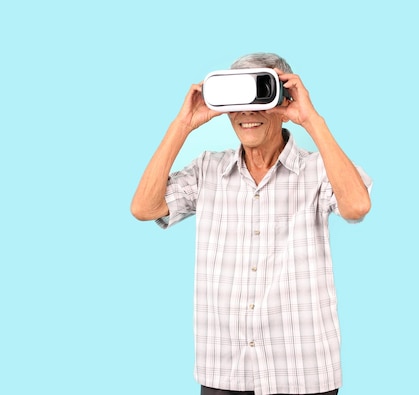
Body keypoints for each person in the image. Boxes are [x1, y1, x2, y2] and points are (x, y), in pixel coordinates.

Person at [130, 53, 372, 395]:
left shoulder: (319, 170)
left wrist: (312, 120)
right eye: (237, 100)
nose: (247, 112)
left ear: (285, 99)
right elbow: (143, 207)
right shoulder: (206, 171)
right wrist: (181, 125)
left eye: (260, 95)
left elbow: (357, 206)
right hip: (225, 373)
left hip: (304, 373)